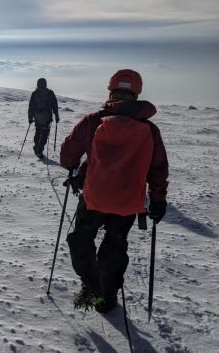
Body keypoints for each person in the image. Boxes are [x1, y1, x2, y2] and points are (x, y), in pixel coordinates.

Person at [60, 69, 169, 313]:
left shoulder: (92, 121)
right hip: (128, 203)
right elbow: (158, 168)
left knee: (82, 239)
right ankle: (107, 297)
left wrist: (72, 167)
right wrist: (158, 201)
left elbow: (68, 155)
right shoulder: (149, 130)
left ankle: (91, 285)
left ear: (110, 90)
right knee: (115, 246)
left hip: (93, 198)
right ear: (136, 93)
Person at [28, 78, 59, 158]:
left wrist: (30, 118)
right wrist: (56, 115)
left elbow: (31, 106)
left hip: (37, 117)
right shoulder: (50, 93)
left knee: (38, 132)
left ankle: (36, 147)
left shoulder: (35, 93)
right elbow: (54, 105)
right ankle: (39, 150)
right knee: (44, 134)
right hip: (47, 117)